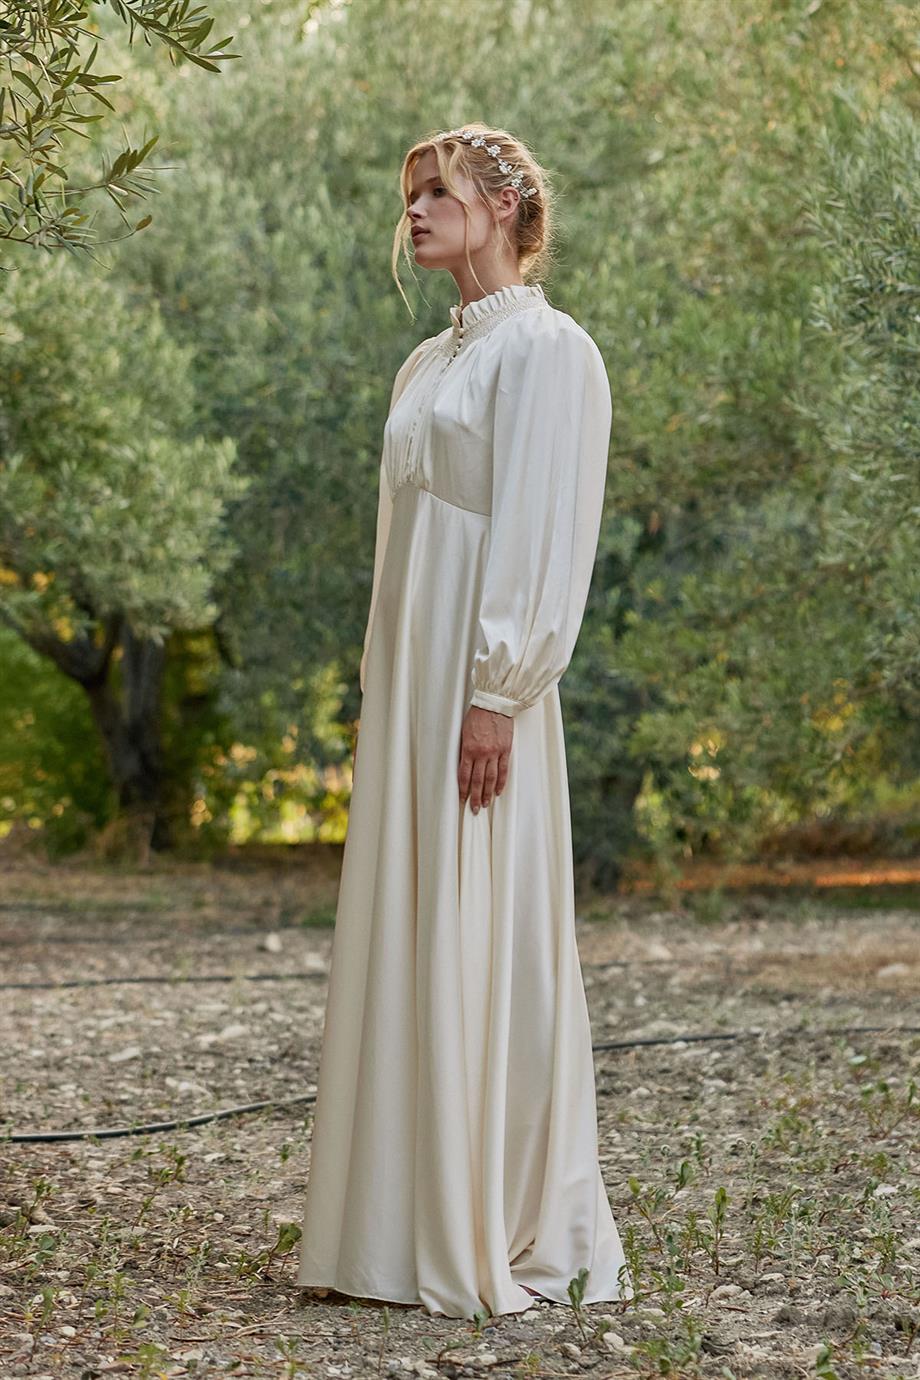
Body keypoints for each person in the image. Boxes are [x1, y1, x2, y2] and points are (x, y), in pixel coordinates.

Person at [297, 122, 633, 1320]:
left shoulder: (549, 351)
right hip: (415, 677)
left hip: (481, 685)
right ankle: (396, 1225)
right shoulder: (422, 364)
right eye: (410, 197)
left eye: (434, 192)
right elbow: (402, 541)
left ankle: (491, 1216)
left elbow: (544, 528)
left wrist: (497, 690)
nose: (415, 213)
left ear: (499, 204)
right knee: (411, 914)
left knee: (480, 914)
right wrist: (386, 688)